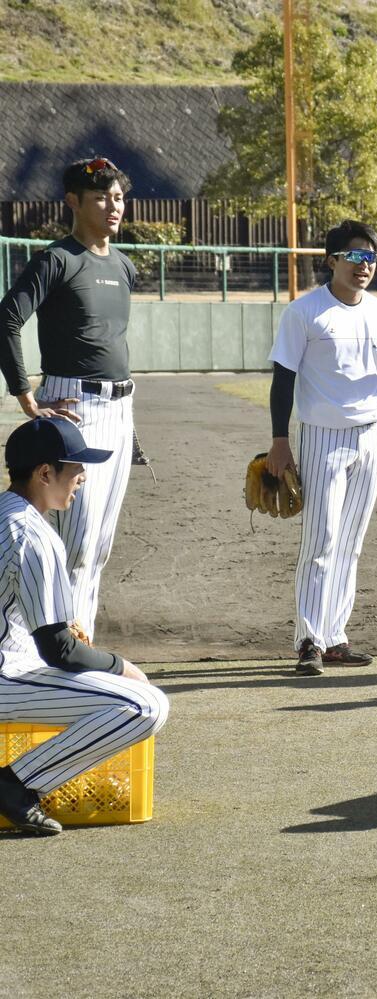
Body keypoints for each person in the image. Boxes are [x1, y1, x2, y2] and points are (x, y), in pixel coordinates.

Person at [266, 220, 377, 677]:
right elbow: (283, 379)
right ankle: (308, 640)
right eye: (355, 256)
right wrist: (280, 440)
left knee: (350, 543)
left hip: (370, 436)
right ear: (331, 260)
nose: (365, 265)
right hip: (322, 437)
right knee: (321, 540)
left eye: (372, 258)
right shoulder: (305, 312)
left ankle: (335, 637)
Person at [0, 417, 169, 836]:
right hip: (7, 677)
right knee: (144, 704)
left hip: (12, 661)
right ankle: (14, 784)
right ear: (45, 473)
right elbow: (58, 650)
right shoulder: (31, 534)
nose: (82, 476)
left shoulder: (8, 513)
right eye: (75, 467)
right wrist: (121, 666)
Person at [0, 157, 138, 640]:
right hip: (71, 405)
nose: (112, 205)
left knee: (97, 548)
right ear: (73, 202)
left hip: (120, 409)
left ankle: (82, 652)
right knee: (72, 546)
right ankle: (56, 657)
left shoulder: (123, 264)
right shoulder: (57, 259)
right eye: (100, 196)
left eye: (117, 196)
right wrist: (27, 397)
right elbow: (7, 319)